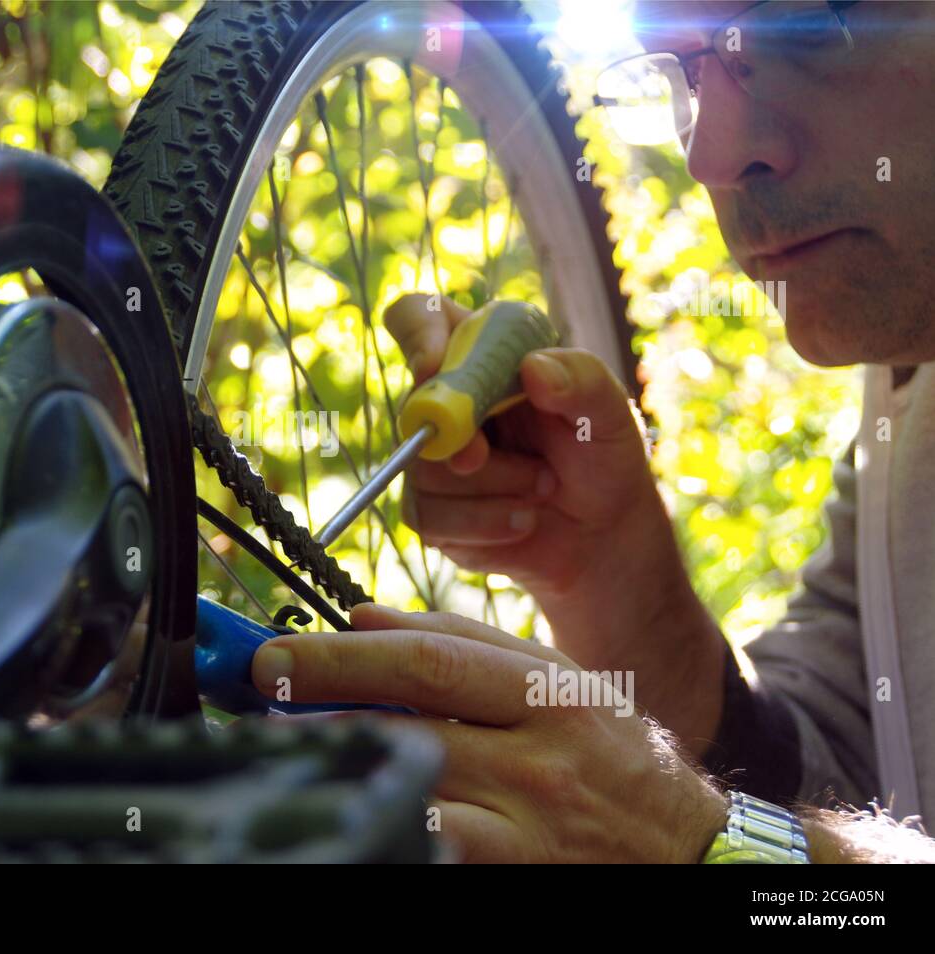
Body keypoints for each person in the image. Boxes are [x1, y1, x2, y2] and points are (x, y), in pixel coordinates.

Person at [251, 0, 935, 862]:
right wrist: (611, 579)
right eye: (684, 69)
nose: (710, 155)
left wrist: (701, 847)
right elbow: (852, 779)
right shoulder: (909, 390)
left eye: (806, 24)